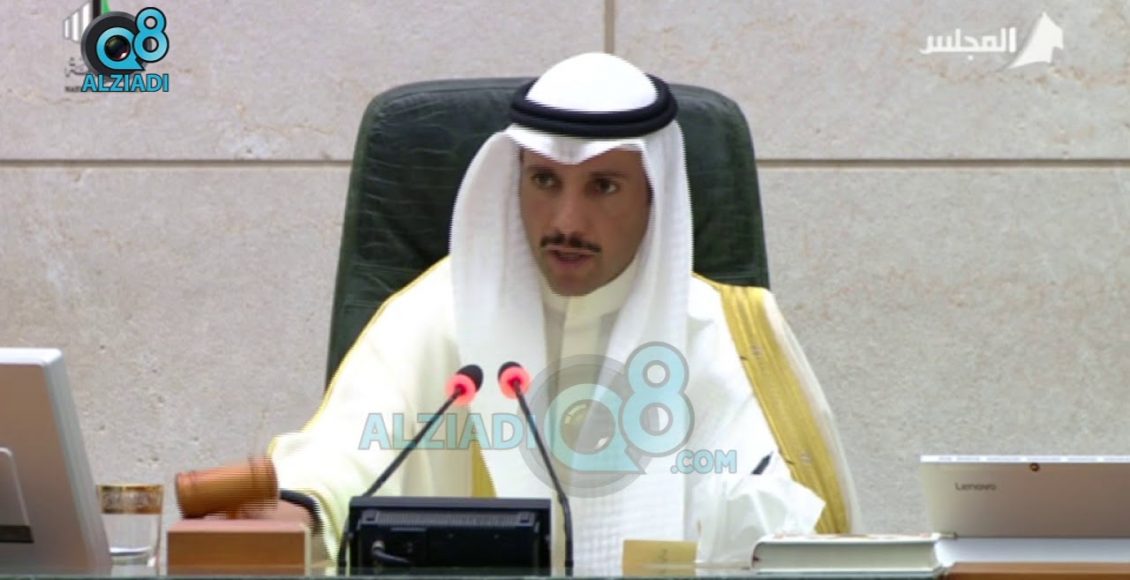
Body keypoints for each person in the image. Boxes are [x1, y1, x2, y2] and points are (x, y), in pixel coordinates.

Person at [262, 52, 861, 573]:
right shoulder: (439, 313)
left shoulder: (727, 333)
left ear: (654, 195)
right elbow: (343, 457)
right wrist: (301, 510)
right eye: (545, 180)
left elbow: (787, 526)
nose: (566, 222)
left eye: (603, 187)